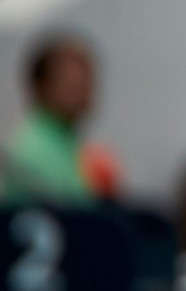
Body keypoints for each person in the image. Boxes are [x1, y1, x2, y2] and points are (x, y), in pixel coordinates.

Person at [1, 33, 112, 206]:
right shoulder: (32, 152)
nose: (83, 92)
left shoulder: (68, 143)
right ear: (40, 87)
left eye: (87, 82)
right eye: (71, 84)